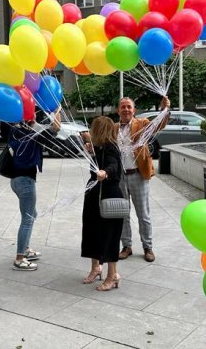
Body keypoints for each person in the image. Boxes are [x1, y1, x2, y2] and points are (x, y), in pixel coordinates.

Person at [117, 96, 170, 262]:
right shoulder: (113, 128)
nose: (126, 109)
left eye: (129, 107)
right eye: (123, 107)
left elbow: (159, 125)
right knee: (122, 214)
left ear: (134, 110)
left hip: (138, 175)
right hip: (119, 177)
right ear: (118, 110)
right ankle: (126, 246)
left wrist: (165, 110)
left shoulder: (142, 123)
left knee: (143, 214)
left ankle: (148, 247)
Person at [8, 108, 61, 271]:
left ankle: (25, 249)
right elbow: (56, 128)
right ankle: (19, 258)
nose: (36, 117)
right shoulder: (33, 135)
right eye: (33, 114)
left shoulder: (15, 131)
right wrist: (57, 109)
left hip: (16, 180)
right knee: (28, 218)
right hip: (25, 181)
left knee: (32, 214)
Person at [81, 117, 124, 291]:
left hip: (108, 197)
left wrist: (105, 172)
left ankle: (112, 275)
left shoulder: (111, 147)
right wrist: (92, 153)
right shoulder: (97, 147)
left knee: (109, 235)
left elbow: (113, 165)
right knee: (92, 232)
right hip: (94, 196)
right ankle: (96, 268)